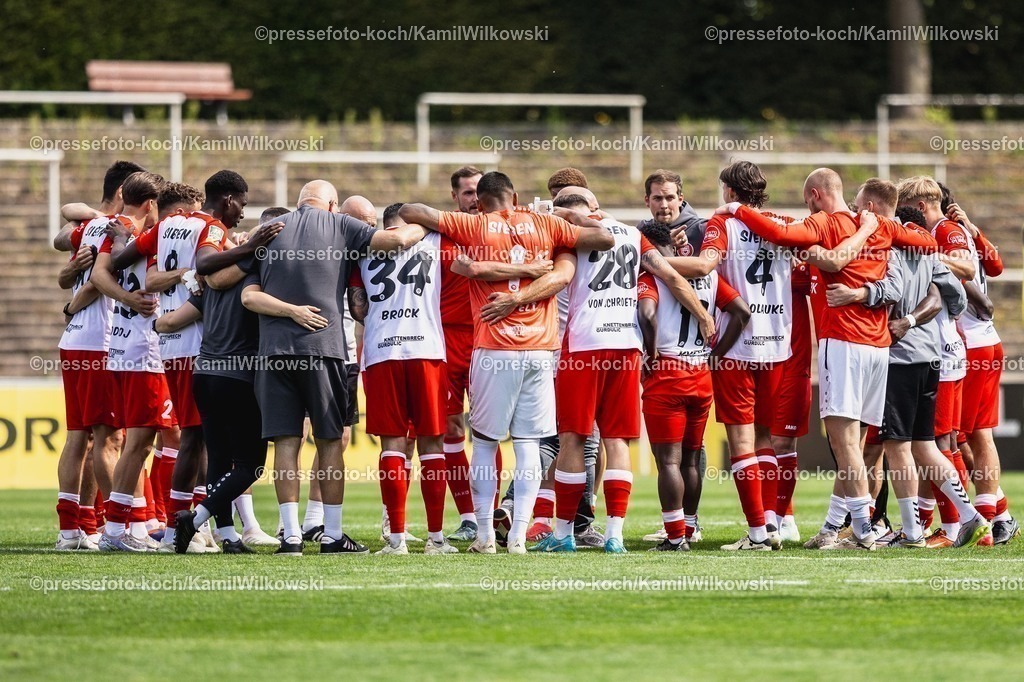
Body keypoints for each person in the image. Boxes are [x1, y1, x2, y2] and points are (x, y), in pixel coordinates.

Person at [716, 167, 942, 550]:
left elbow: (783, 235)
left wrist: (736, 209)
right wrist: (875, 230)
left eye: (808, 201)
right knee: (858, 444)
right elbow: (927, 243)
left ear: (817, 195)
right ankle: (834, 526)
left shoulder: (822, 223)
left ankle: (863, 529)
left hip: (844, 343)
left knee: (845, 444)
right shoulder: (879, 225)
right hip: (879, 348)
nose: (808, 207)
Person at [398, 171, 615, 554]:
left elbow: (412, 210)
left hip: (493, 347)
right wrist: (566, 219)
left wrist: (482, 270)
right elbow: (604, 238)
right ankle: (517, 538)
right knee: (530, 442)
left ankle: (483, 534)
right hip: (540, 350)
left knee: (484, 441)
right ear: (515, 196)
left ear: (480, 201)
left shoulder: (472, 224)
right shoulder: (546, 223)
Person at [242, 179, 427, 555]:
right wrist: (429, 222)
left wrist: (289, 311)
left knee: (286, 444)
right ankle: (332, 534)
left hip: (273, 352)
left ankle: (291, 536)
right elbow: (397, 241)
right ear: (333, 205)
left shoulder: (268, 231)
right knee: (330, 441)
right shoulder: (340, 224)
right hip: (322, 349)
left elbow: (249, 296)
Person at [525, 191, 714, 553]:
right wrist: (704, 316)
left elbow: (559, 277)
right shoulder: (632, 234)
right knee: (617, 440)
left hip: (583, 344)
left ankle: (563, 535)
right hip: (627, 346)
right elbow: (672, 277)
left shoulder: (568, 234)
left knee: (573, 439)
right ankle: (615, 536)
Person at [828, 178, 989, 548]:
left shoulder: (892, 246)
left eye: (858, 207)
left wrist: (861, 294)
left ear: (876, 211)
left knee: (897, 448)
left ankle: (913, 533)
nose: (854, 213)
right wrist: (928, 324)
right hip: (932, 357)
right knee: (925, 445)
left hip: (899, 358)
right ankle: (971, 516)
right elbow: (956, 296)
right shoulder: (927, 248)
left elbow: (893, 290)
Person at [113, 170, 250, 551]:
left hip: (170, 345)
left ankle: (213, 527)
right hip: (200, 344)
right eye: (240, 203)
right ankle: (177, 531)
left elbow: (123, 259)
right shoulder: (212, 230)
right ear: (226, 200)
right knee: (194, 438)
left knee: (204, 438)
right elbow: (208, 270)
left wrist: (122, 238)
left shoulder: (168, 225)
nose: (241, 212)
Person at [169, 209, 284, 553]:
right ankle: (195, 517)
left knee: (218, 458)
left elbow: (175, 320)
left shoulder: (214, 277)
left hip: (204, 373)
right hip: (239, 375)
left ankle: (229, 535)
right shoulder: (258, 269)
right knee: (251, 465)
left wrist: (158, 321)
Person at [637, 220, 749, 550]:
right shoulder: (709, 275)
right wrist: (717, 355)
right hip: (701, 374)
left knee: (668, 462)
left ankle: (674, 538)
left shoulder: (651, 276)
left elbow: (647, 314)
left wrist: (650, 350)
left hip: (668, 373)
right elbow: (741, 312)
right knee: (689, 459)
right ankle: (687, 529)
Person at [88, 171, 170, 551]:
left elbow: (100, 275)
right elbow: (135, 281)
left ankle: (133, 525)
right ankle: (117, 529)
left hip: (120, 350)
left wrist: (122, 297)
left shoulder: (115, 229)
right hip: (143, 351)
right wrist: (133, 299)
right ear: (151, 204)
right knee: (138, 442)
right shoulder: (144, 234)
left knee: (135, 441)